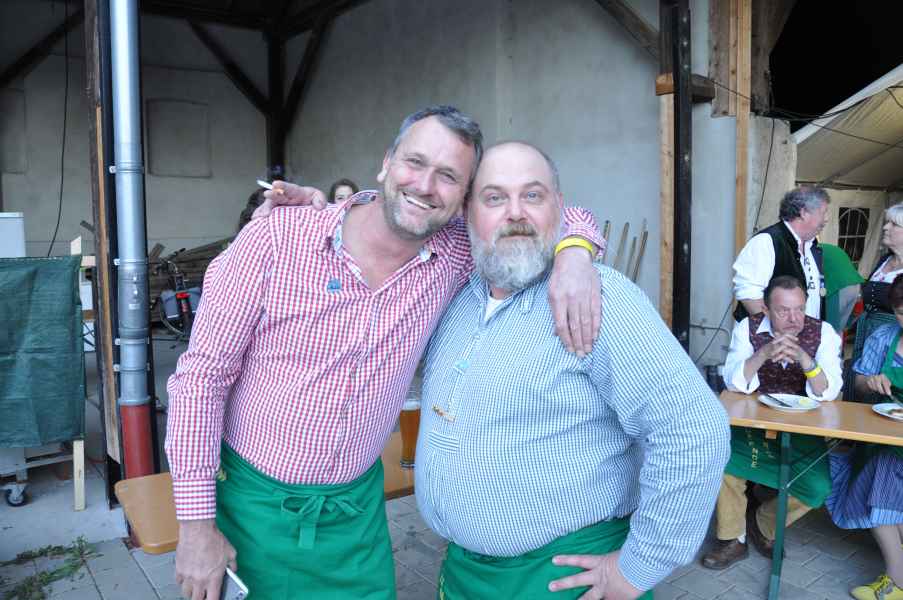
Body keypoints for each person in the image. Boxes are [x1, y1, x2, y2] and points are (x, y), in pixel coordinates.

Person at [165, 105, 605, 600]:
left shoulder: (455, 252)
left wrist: (574, 254)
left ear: (463, 199)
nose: (425, 186)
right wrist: (196, 527)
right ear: (386, 163)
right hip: (253, 508)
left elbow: (559, 215)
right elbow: (201, 379)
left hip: (356, 515)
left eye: (448, 176)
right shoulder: (276, 239)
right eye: (415, 162)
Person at [414, 142, 731, 599]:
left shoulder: (599, 297)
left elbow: (693, 430)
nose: (515, 212)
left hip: (561, 577)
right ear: (468, 213)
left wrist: (638, 567)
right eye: (495, 197)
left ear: (559, 207)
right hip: (465, 571)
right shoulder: (457, 296)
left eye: (533, 195)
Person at [701, 275, 843, 570]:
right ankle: (732, 538)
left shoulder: (824, 332)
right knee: (724, 462)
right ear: (766, 309)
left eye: (800, 309)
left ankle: (762, 523)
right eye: (784, 310)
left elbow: (828, 392)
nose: (794, 319)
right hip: (753, 420)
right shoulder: (748, 328)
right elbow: (734, 383)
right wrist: (764, 352)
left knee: (817, 487)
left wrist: (804, 358)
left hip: (803, 425)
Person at [829, 273, 903, 600]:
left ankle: (896, 582)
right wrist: (869, 382)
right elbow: (857, 383)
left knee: (882, 483)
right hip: (882, 435)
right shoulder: (884, 337)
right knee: (879, 477)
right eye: (900, 312)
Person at [732, 186, 831, 322]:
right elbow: (748, 293)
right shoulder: (766, 241)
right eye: (823, 212)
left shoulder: (812, 247)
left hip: (805, 333)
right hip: (770, 335)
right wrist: (773, 329)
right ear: (803, 212)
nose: (826, 219)